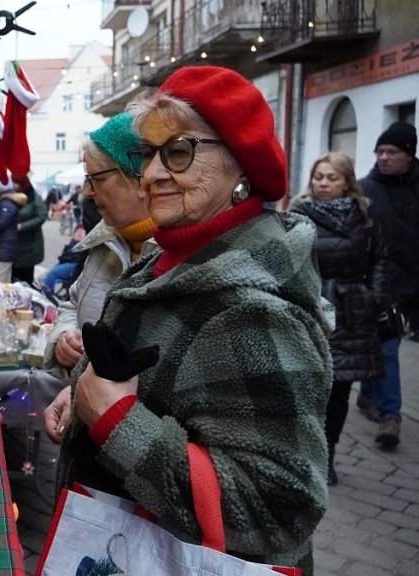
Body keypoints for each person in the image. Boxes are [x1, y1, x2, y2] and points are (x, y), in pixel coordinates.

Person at [43, 66, 332, 573]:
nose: (152, 174)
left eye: (178, 152)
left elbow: (280, 506)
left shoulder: (253, 311)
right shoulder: (172, 257)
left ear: (240, 165)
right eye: (148, 154)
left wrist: (117, 421)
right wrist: (85, 391)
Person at [289, 152, 394, 485]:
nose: (323, 183)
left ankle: (327, 456)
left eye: (331, 178)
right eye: (318, 176)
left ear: (347, 181)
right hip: (310, 309)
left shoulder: (364, 214)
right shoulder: (299, 212)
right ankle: (302, 454)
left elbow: (380, 258)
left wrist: (374, 297)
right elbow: (286, 260)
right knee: (307, 387)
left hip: (352, 311)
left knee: (339, 390)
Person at [42, 112, 153, 383]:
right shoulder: (105, 241)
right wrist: (63, 338)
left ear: (138, 178)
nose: (87, 193)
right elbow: (73, 304)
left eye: (97, 179)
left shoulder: (176, 254)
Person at [357, 121, 418, 448]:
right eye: (380, 151)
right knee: (387, 346)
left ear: (409, 154)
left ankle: (368, 393)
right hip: (378, 285)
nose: (383, 157)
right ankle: (391, 416)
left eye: (391, 152)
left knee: (380, 347)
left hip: (412, 285)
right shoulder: (364, 190)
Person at [12, 176, 48, 284]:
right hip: (16, 244)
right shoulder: (14, 196)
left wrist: (23, 226)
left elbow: (42, 216)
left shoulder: (34, 198)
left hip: (31, 244)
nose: (14, 185)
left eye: (16, 183)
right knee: (14, 277)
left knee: (26, 278)